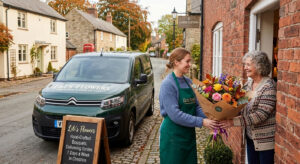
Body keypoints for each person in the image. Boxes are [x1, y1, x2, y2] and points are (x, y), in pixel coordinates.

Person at [159, 48, 219, 164]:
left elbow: (196, 106)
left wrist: (210, 118)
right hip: (172, 136)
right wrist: (202, 122)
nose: (190, 65)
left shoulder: (189, 82)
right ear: (177, 62)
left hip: (188, 134)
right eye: (187, 61)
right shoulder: (168, 84)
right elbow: (175, 115)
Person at [220, 51, 276, 164]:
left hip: (265, 141)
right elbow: (240, 106)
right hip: (250, 138)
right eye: (244, 64)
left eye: (248, 64)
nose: (245, 68)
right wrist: (223, 113)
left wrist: (232, 122)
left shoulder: (268, 87)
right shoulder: (248, 84)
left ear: (260, 65)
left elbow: (260, 115)